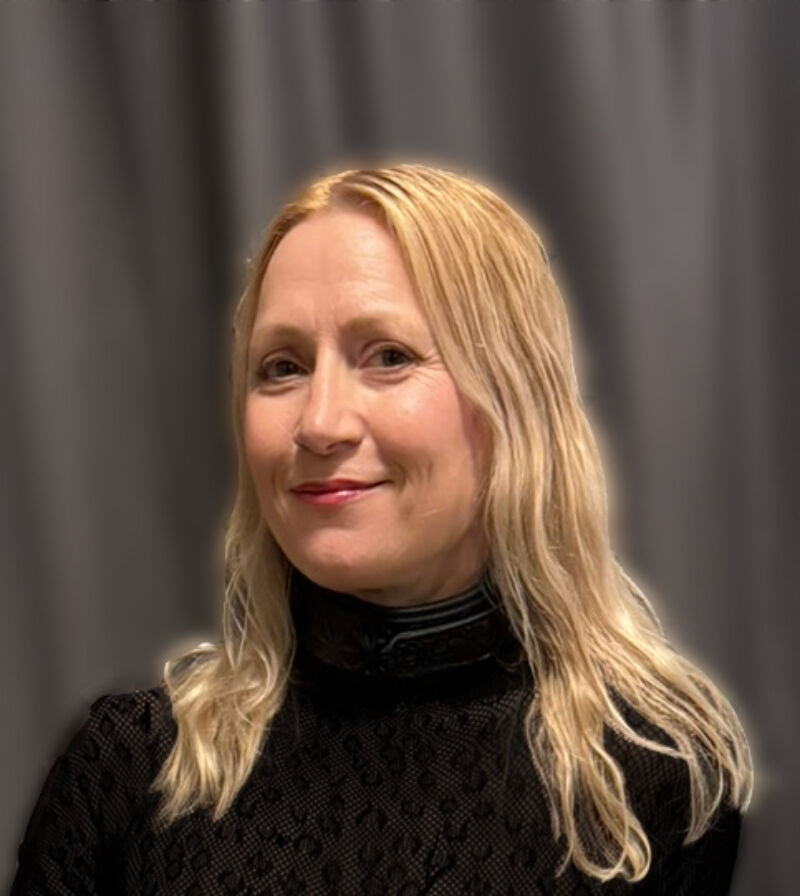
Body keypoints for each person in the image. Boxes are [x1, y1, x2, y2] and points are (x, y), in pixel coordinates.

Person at [11, 163, 753, 894]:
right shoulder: (136, 768)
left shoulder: (646, 774)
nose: (320, 422)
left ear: (515, 404)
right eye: (282, 367)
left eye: (389, 357)